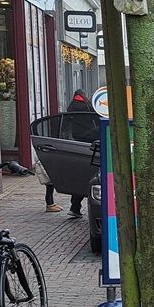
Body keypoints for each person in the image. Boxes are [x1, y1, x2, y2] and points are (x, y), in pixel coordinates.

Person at [65, 89, 95, 218]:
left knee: (79, 176)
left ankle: (75, 207)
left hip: (77, 143)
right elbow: (97, 121)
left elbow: (65, 124)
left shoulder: (71, 107)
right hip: (92, 142)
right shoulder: (89, 107)